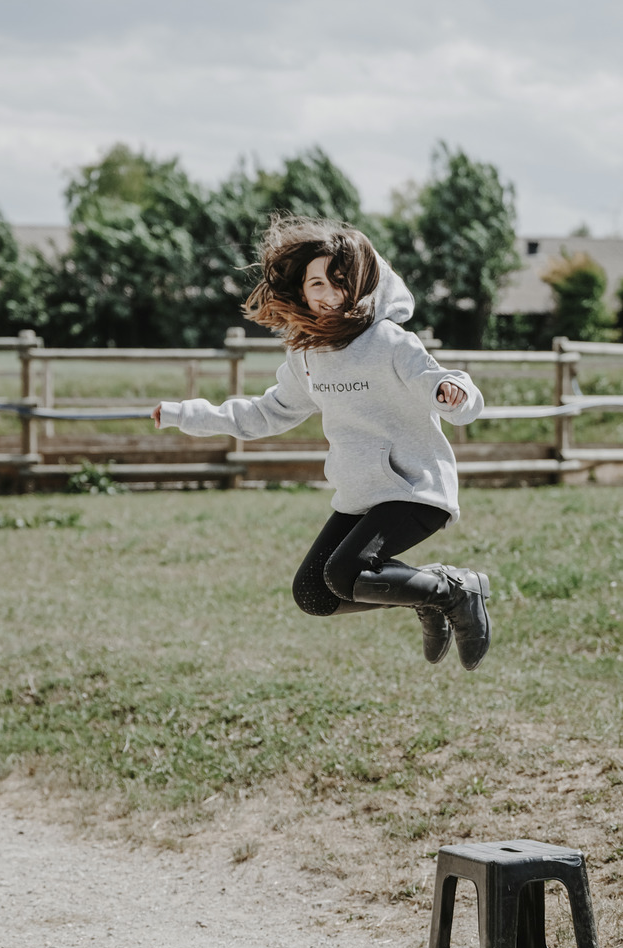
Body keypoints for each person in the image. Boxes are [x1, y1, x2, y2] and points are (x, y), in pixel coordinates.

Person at [152, 215, 491, 671]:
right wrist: (185, 414)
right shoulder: (308, 355)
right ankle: (428, 598)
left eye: (339, 282)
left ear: (360, 285)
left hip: (414, 487)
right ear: (301, 289)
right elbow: (265, 413)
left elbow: (446, 385)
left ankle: (454, 590)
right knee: (313, 593)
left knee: (343, 572)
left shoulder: (389, 341)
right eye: (316, 284)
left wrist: (454, 394)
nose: (327, 295)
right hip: (361, 494)